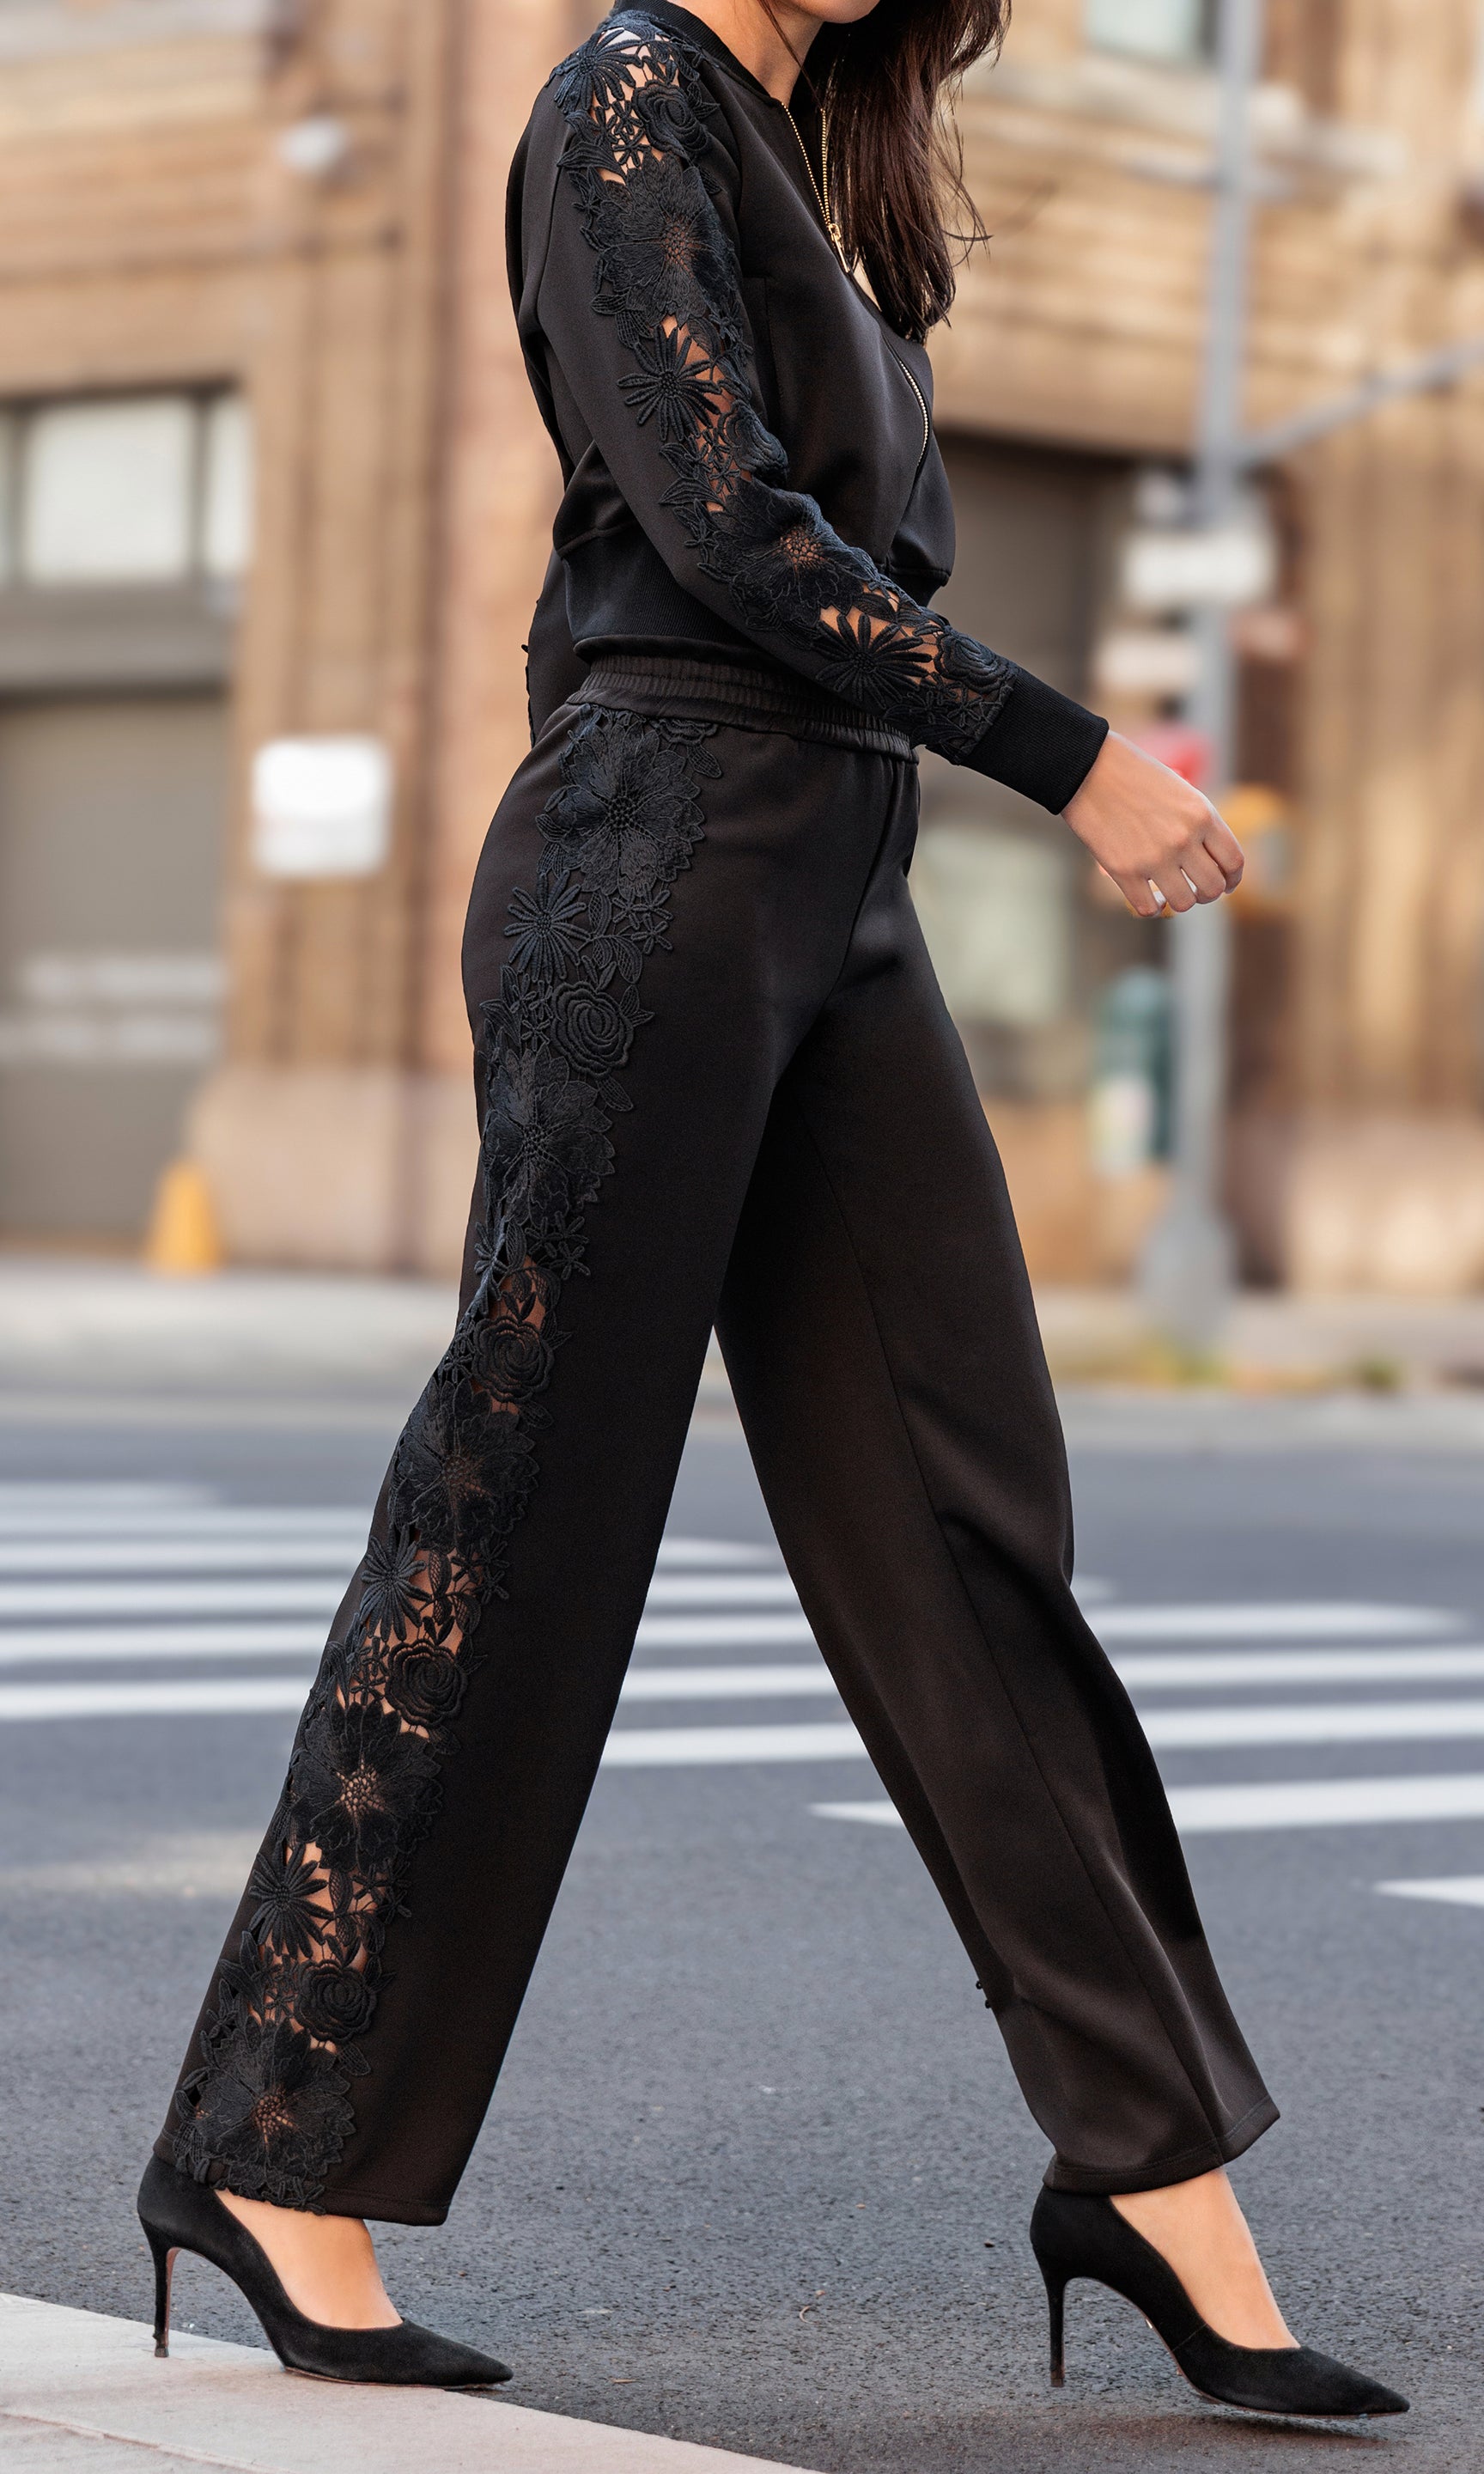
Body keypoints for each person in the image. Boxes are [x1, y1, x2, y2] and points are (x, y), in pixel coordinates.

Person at [137, 0, 1407, 2420]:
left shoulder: (825, 152)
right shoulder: (617, 101)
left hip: (839, 882)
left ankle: (1146, 2163)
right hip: (660, 859)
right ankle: (274, 2149)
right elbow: (721, 531)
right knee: (522, 1516)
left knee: (966, 1518)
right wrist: (1072, 755)